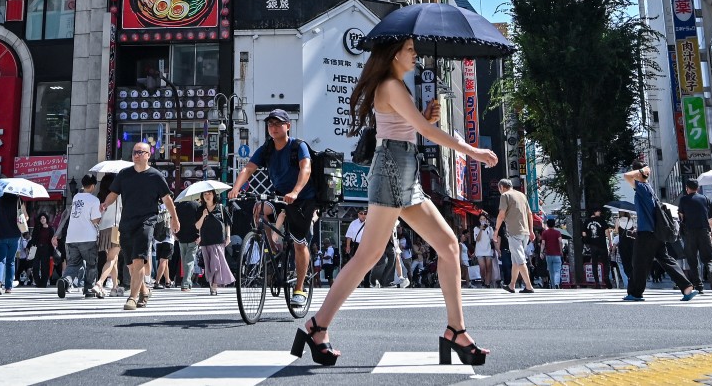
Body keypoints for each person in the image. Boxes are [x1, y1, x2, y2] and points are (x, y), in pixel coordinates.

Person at [290, 38, 497, 367]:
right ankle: (317, 326)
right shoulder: (390, 86)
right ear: (394, 54)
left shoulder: (397, 86)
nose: (415, 55)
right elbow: (425, 132)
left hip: (405, 172)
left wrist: (426, 117)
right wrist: (474, 152)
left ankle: (456, 331)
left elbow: (413, 128)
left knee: (448, 247)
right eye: (411, 50)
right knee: (367, 256)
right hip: (390, 171)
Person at [228, 109, 317, 308]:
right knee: (259, 209)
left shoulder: (298, 146)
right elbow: (248, 168)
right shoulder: (267, 148)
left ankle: (299, 289)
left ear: (288, 126)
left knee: (299, 243)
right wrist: (235, 188)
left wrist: (295, 191)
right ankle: (273, 247)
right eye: (270, 124)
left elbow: (306, 168)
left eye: (278, 124)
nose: (273, 128)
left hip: (302, 198)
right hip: (279, 195)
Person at [99, 142, 179, 311]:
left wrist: (174, 219)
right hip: (126, 222)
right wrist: (105, 203)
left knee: (138, 261)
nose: (136, 155)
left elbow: (167, 199)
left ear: (148, 155)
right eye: (134, 152)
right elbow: (114, 193)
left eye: (140, 152)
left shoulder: (156, 176)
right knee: (130, 264)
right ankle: (144, 290)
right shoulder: (124, 174)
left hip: (147, 221)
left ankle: (132, 298)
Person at [623, 161, 698, 302]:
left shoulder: (642, 187)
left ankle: (635, 293)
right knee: (666, 260)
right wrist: (643, 172)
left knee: (639, 262)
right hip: (657, 233)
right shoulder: (650, 188)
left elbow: (627, 176)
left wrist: (641, 171)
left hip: (646, 232)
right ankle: (687, 287)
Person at [53, 174, 102, 299]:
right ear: (92, 186)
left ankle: (65, 281)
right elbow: (95, 220)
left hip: (72, 237)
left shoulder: (76, 197)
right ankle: (89, 289)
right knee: (91, 264)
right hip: (88, 237)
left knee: (73, 264)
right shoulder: (94, 200)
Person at [494, 179, 535, 293]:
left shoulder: (505, 196)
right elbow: (530, 214)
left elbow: (501, 215)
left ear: (502, 187)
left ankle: (528, 286)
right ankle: (512, 285)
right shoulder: (522, 195)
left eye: (499, 189)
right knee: (516, 260)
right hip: (525, 232)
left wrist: (496, 231)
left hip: (514, 232)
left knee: (520, 259)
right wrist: (531, 230)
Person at [677, 179, 712, 293]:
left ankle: (698, 286)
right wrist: (710, 232)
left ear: (687, 188)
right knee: (708, 258)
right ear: (698, 188)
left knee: (692, 260)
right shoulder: (705, 199)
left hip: (690, 233)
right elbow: (710, 218)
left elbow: (681, 216)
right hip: (704, 231)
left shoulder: (684, 200)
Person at [194, 189, 233, 294]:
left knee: (216, 264)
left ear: (214, 195)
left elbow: (227, 223)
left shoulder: (220, 208)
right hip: (205, 240)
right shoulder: (200, 209)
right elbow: (197, 226)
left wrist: (228, 236)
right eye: (205, 194)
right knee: (208, 265)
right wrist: (203, 215)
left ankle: (214, 285)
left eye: (209, 193)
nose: (207, 196)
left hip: (218, 239)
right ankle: (211, 283)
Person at [0, 191, 25, 295]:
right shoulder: (19, 201)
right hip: (14, 235)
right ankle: (8, 287)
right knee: (11, 261)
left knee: (0, 260)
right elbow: (25, 217)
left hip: (0, 235)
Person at [93, 173, 123, 297]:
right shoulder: (118, 195)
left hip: (103, 229)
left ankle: (115, 287)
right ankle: (99, 283)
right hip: (115, 228)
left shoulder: (100, 196)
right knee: (111, 259)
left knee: (113, 259)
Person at [174, 198, 201, 292]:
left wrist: (174, 234)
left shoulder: (178, 206)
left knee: (185, 260)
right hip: (194, 236)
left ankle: (187, 281)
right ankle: (186, 283)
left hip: (181, 237)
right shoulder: (197, 206)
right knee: (189, 260)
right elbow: (201, 221)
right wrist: (200, 235)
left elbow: (173, 219)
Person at [582, 207, 611, 289]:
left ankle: (597, 282)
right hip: (602, 244)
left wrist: (587, 241)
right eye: (598, 211)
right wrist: (610, 241)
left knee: (594, 263)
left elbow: (584, 233)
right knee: (605, 262)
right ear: (594, 212)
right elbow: (607, 232)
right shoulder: (602, 220)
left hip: (593, 245)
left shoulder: (586, 222)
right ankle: (606, 277)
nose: (599, 212)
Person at [30, 213, 54, 287]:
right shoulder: (37, 227)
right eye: (41, 218)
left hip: (46, 249)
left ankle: (43, 283)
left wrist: (51, 253)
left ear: (46, 219)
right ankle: (37, 282)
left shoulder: (50, 229)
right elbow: (33, 238)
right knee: (35, 266)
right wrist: (30, 247)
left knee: (45, 266)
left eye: (44, 218)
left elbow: (51, 241)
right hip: (36, 248)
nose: (42, 220)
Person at [541, 217, 564, 289]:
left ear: (547, 225)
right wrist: (561, 250)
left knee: (551, 271)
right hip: (557, 254)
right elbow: (560, 241)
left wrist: (541, 252)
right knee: (557, 270)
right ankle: (557, 283)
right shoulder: (558, 232)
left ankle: (553, 286)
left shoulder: (544, 233)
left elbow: (543, 243)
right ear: (554, 225)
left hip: (548, 254)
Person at [473, 214, 495, 288]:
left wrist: (488, 227)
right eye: (481, 219)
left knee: (489, 267)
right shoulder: (476, 228)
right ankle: (483, 279)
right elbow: (477, 239)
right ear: (479, 220)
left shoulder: (490, 228)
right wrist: (481, 230)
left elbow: (492, 238)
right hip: (479, 251)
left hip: (488, 250)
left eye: (484, 219)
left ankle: (487, 283)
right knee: (482, 268)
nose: (483, 220)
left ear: (486, 220)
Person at [344, 209, 366, 283]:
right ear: (358, 214)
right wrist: (348, 246)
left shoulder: (370, 222)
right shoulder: (353, 223)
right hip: (356, 244)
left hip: (366, 245)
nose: (363, 215)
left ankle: (366, 281)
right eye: (361, 213)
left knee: (366, 263)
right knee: (355, 263)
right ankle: (355, 280)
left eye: (365, 213)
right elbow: (349, 236)